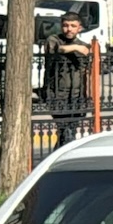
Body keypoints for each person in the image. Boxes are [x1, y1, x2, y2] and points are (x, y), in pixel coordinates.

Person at [42, 12, 94, 145]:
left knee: (69, 131)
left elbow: (88, 71)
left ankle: (58, 158)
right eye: (65, 25)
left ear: (79, 28)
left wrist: (88, 94)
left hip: (77, 95)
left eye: (72, 26)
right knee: (65, 129)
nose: (69, 29)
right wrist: (76, 48)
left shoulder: (83, 45)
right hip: (57, 94)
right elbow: (55, 49)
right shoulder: (54, 39)